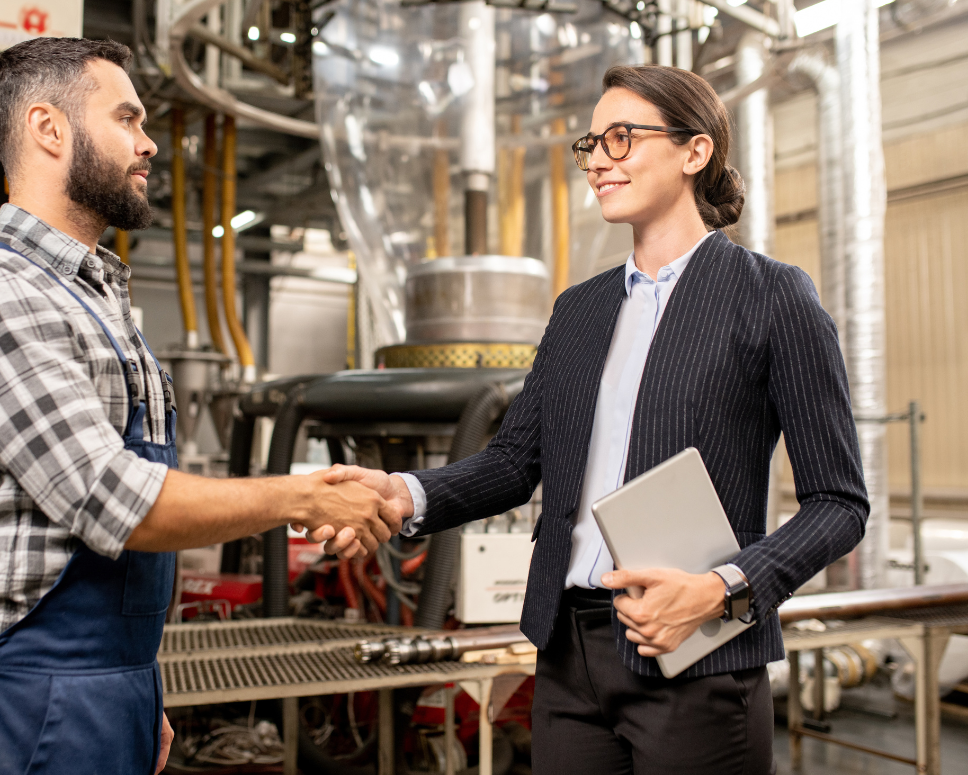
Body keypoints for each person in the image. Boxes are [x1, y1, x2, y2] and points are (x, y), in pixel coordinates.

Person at [322, 65, 869, 773]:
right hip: (568, 651)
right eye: (592, 144)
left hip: (694, 654)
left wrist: (723, 588)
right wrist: (407, 493)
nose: (599, 161)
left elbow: (839, 502)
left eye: (622, 138)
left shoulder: (770, 297)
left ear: (694, 151)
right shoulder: (579, 309)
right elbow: (515, 462)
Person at [0, 38, 398, 775]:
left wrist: (132, 686)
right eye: (127, 119)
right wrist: (304, 495)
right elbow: (114, 498)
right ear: (50, 129)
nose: (148, 144)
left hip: (110, 689)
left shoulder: (97, 297)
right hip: (30, 701)